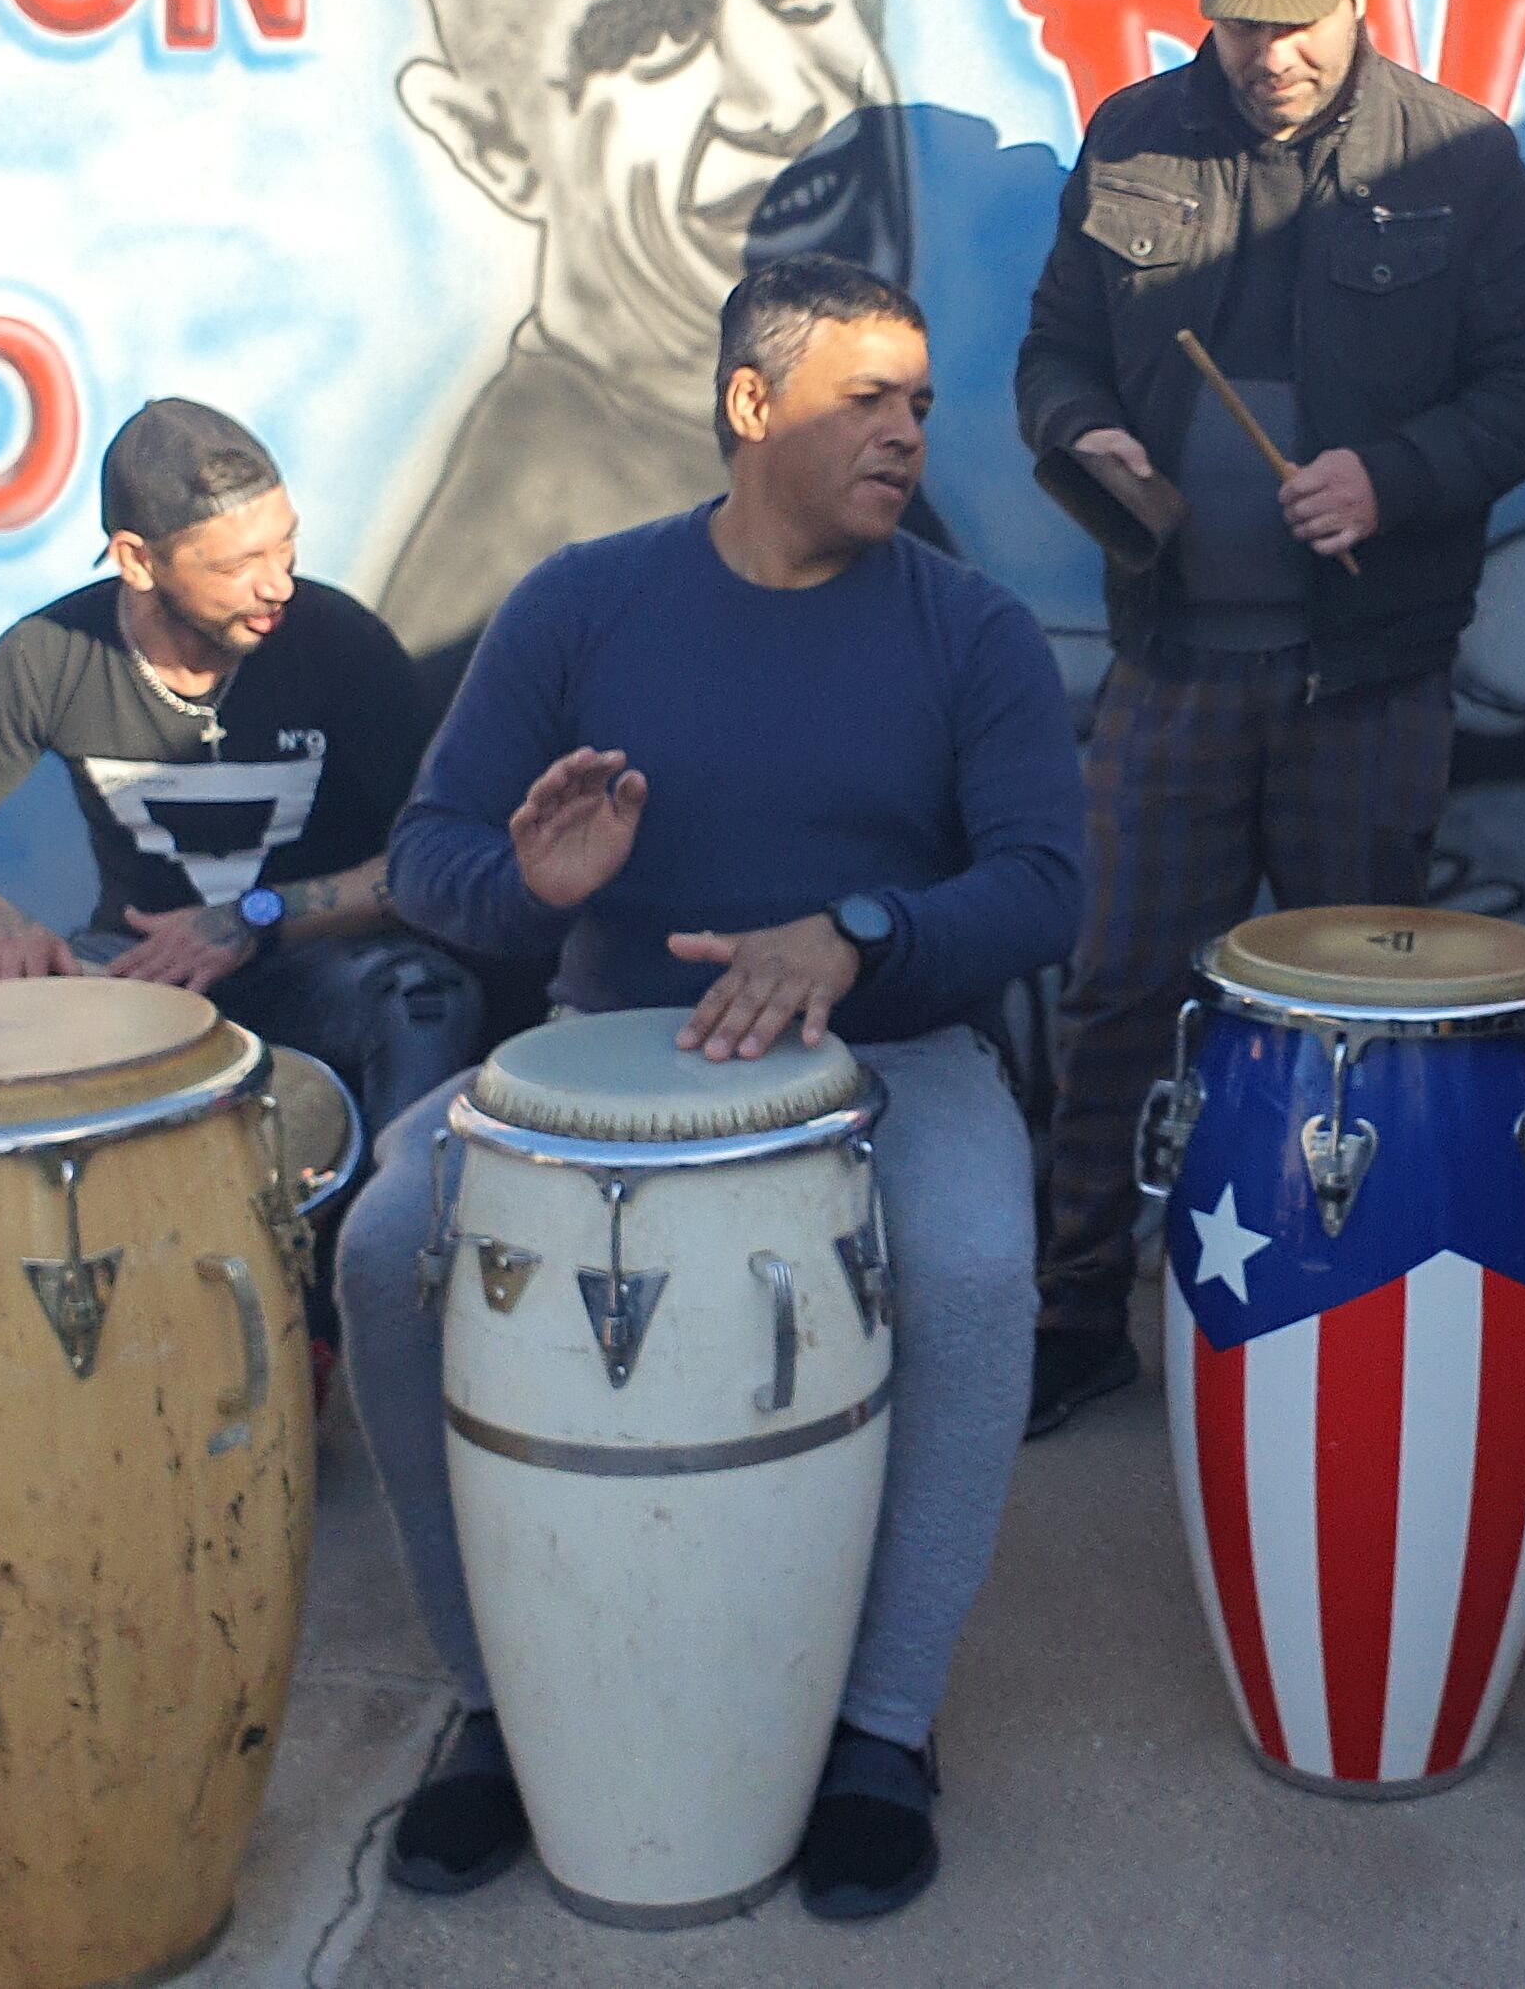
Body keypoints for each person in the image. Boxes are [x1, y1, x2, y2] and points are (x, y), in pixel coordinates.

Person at [337, 256, 1082, 1918]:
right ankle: (497, 1707)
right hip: (606, 1059)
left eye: (917, 405)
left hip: (885, 1053)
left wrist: (860, 932)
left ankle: (881, 1728)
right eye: (861, 400)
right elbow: (431, 856)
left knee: (965, 1264)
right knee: (388, 1252)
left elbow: (1042, 885)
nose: (903, 434)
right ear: (752, 405)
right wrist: (529, 883)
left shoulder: (969, 628)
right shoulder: (581, 601)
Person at [1013, 0, 1525, 1436]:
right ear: (1205, 4)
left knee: (1350, 1012)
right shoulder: (1134, 134)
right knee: (1123, 987)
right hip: (1174, 663)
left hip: (1367, 679)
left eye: (1302, 20)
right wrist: (1088, 443)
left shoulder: (1460, 157)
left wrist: (1390, 479)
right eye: (1242, 21)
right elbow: (1053, 353)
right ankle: (1080, 1312)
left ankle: (1340, 1304)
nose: (1271, 56)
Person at [0, 398, 480, 1353]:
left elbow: (432, 861)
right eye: (236, 566)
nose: (277, 584)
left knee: (425, 995)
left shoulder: (338, 644)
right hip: (133, 973)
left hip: (303, 959)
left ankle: (399, 1316)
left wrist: (255, 917)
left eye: (287, 547)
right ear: (138, 560)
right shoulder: (53, 653)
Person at [373, 0, 924, 715]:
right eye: (659, 35)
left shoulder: (819, 445)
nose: (781, 100)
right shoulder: (529, 576)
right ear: (495, 143)